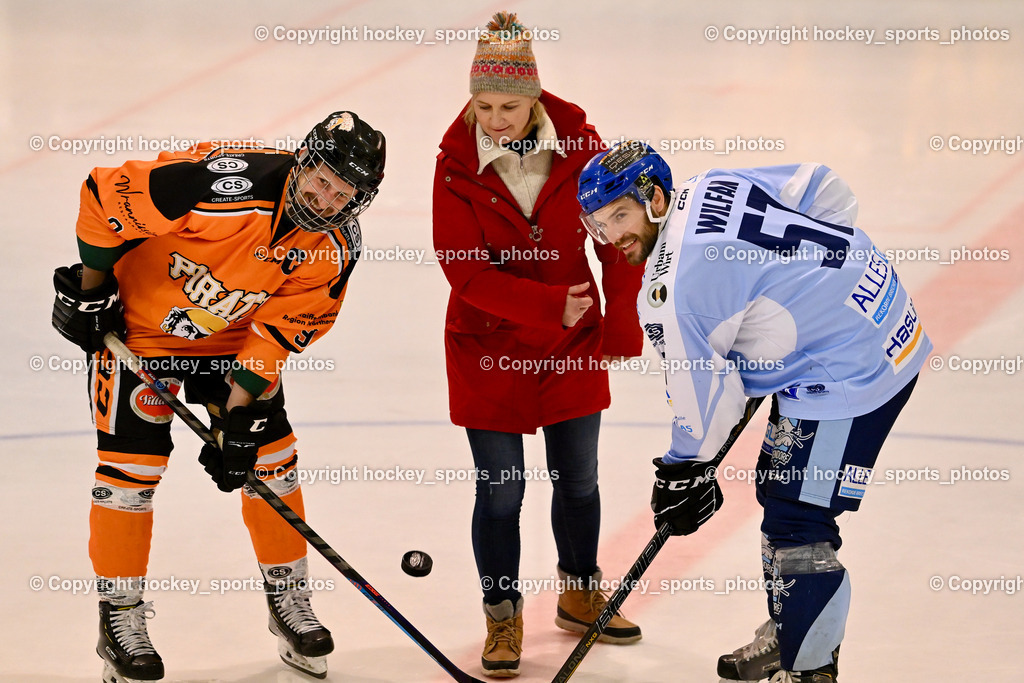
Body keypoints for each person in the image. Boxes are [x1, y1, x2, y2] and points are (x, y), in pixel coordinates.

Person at [577, 142, 930, 683]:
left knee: (799, 522)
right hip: (875, 307)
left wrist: (680, 471)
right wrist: (808, 291)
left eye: (620, 216)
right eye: (599, 226)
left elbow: (705, 398)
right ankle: (793, 632)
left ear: (653, 197)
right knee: (779, 489)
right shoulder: (711, 184)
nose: (613, 238)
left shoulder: (672, 291)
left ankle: (809, 669)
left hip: (849, 369)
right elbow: (823, 187)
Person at [51, 111, 385, 682]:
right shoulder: (219, 187)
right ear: (302, 160)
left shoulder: (334, 246)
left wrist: (237, 418)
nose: (324, 198)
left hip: (232, 337)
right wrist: (92, 287)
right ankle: (120, 618)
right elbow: (102, 196)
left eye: (341, 193)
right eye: (320, 178)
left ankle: (290, 604)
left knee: (272, 463)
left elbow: (276, 333)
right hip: (140, 331)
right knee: (131, 471)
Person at [432, 12, 646, 679]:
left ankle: (581, 593)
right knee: (500, 489)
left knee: (578, 479)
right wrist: (550, 304)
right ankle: (502, 613)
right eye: (485, 105)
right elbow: (463, 270)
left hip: (574, 340)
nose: (496, 120)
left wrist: (620, 322)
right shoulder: (454, 165)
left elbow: (622, 233)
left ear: (535, 98)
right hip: (487, 346)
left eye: (511, 106)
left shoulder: (583, 145)